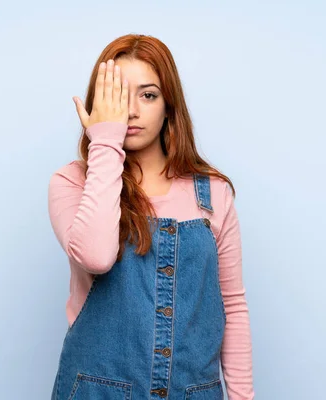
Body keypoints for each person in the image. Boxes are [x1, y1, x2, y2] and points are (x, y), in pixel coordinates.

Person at [48, 34, 255, 400]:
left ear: (168, 104)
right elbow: (97, 256)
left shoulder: (213, 194)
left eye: (148, 95)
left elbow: (233, 307)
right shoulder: (73, 183)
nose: (131, 111)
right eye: (117, 96)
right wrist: (106, 142)